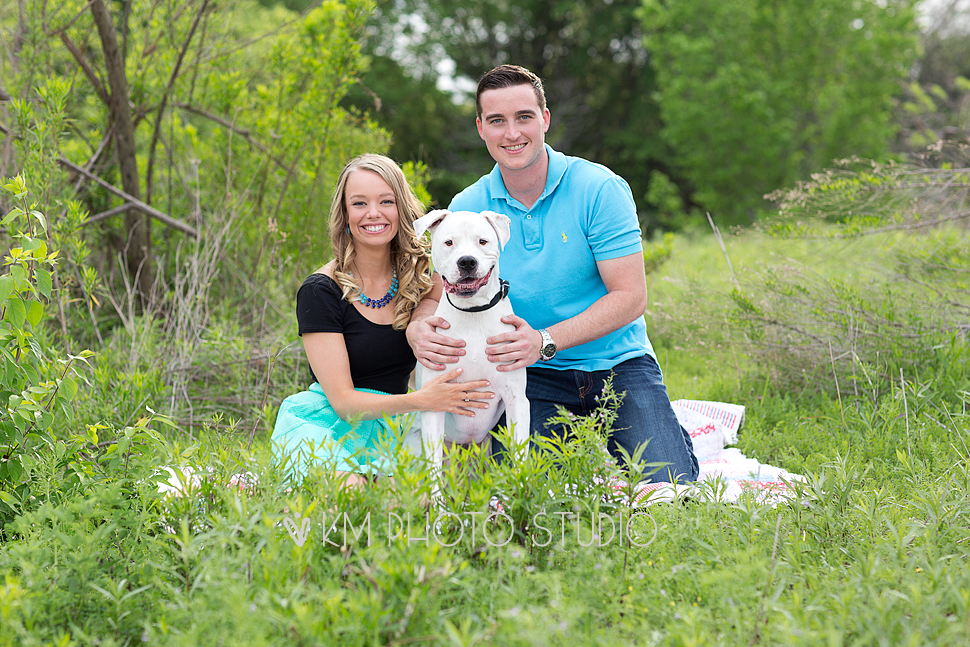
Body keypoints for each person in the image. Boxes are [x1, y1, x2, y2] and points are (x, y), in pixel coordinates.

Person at [406, 65, 699, 483]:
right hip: (532, 376)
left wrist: (544, 340)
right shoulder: (468, 204)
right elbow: (439, 291)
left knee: (667, 486)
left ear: (545, 118)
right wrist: (418, 326)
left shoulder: (599, 188)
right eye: (497, 121)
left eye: (524, 117)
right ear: (480, 129)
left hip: (617, 361)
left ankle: (659, 423)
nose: (512, 133)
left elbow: (631, 296)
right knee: (531, 492)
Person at [272, 154, 493, 484]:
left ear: (400, 209)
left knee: (418, 502)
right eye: (359, 203)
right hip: (330, 424)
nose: (373, 213)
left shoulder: (423, 277)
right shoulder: (320, 291)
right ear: (345, 214)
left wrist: (421, 316)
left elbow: (442, 298)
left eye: (385, 201)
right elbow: (345, 402)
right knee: (353, 494)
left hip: (394, 425)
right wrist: (422, 400)